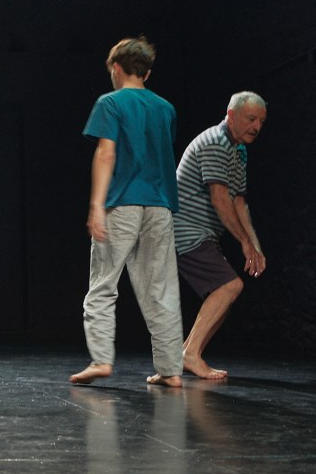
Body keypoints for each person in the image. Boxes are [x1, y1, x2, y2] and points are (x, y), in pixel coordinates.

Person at [70, 36, 184, 387]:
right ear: (146, 73)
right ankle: (171, 370)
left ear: (116, 68)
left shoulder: (110, 102)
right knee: (161, 289)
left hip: (122, 203)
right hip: (160, 206)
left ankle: (101, 360)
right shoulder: (166, 108)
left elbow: (107, 153)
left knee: (103, 284)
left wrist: (96, 205)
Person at [174, 91, 267, 380]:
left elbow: (238, 202)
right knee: (229, 287)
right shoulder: (216, 142)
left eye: (261, 121)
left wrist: (254, 245)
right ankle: (189, 354)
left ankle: (186, 355)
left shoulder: (238, 150)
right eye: (251, 119)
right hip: (184, 231)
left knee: (226, 293)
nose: (256, 126)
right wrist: (243, 242)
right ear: (231, 115)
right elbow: (219, 198)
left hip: (203, 234)